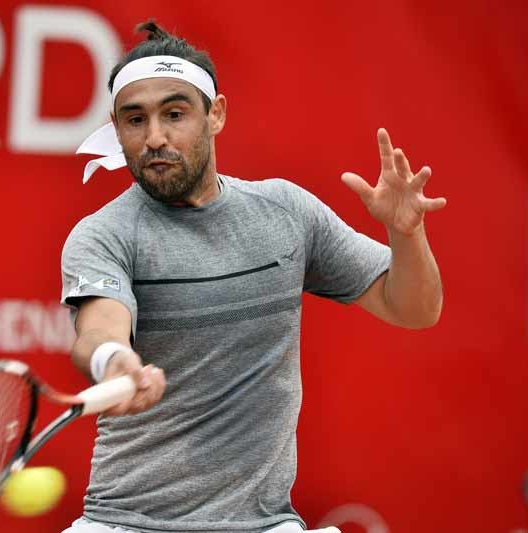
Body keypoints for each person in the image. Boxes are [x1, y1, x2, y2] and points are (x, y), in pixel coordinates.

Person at [60, 20, 445, 533]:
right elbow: (98, 330)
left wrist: (406, 233)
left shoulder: (286, 213)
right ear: (117, 127)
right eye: (135, 120)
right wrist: (114, 360)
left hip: (263, 524)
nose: (154, 138)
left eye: (174, 114)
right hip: (124, 523)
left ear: (215, 114)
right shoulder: (103, 235)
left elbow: (414, 308)